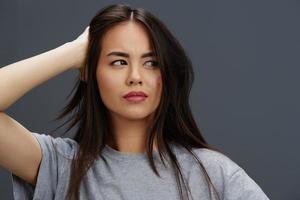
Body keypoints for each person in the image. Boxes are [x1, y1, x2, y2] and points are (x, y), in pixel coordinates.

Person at [0, 3, 270, 200]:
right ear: (89, 72)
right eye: (119, 62)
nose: (135, 77)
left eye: (151, 63)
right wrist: (74, 52)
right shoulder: (60, 167)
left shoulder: (213, 173)